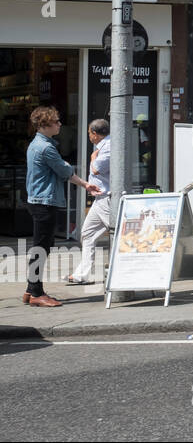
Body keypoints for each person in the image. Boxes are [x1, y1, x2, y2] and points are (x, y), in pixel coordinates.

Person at [23, 107, 101, 307]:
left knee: (42, 245)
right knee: (41, 248)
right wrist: (84, 183)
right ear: (44, 125)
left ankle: (31, 290)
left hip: (39, 200)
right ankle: (36, 293)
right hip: (45, 201)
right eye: (56, 121)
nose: (59, 124)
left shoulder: (37, 144)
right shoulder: (46, 148)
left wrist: (81, 182)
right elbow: (65, 171)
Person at [65, 119, 112, 287]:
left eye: (89, 133)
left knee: (119, 234)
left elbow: (97, 169)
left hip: (107, 199)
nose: (89, 137)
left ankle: (135, 268)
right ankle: (82, 275)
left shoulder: (109, 146)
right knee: (87, 233)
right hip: (100, 199)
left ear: (95, 134)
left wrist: (93, 157)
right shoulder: (103, 145)